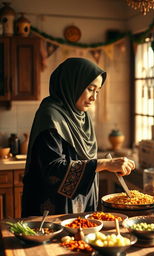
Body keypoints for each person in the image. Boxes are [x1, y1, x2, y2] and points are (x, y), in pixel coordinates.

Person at [21, 58, 136, 217]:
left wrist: (103, 165)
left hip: (82, 204)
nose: (94, 97)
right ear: (71, 84)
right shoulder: (50, 116)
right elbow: (53, 169)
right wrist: (104, 164)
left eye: (98, 91)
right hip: (54, 209)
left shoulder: (82, 116)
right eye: (90, 89)